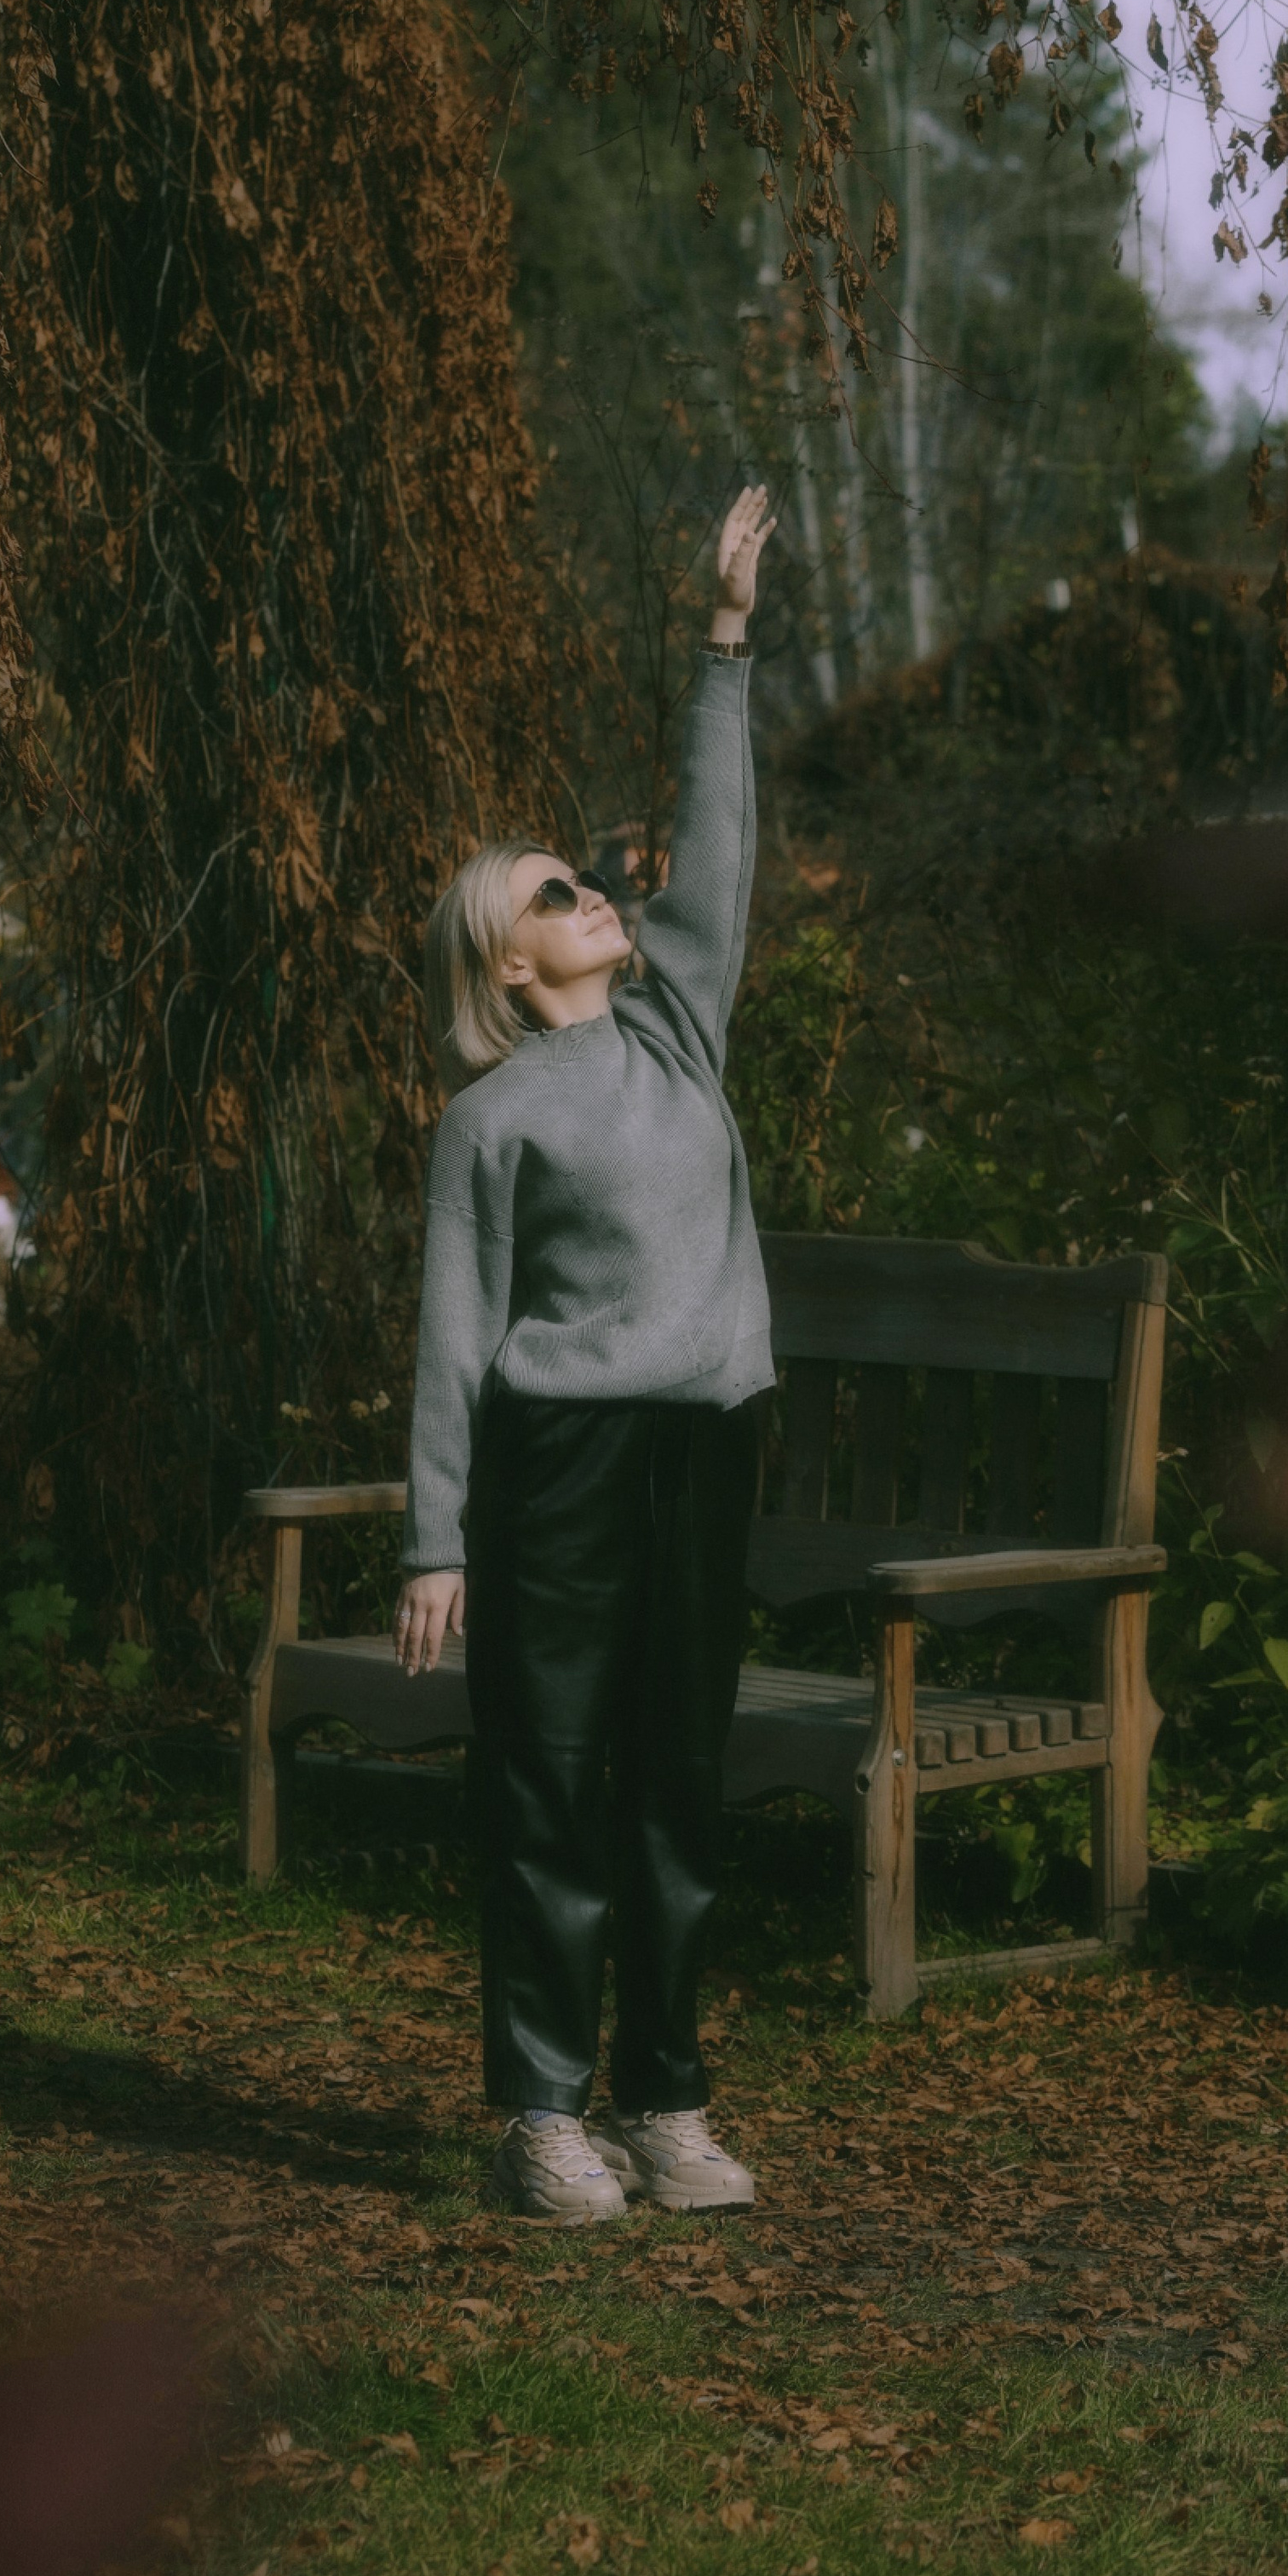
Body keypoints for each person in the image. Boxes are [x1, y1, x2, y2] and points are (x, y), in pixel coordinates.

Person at [395, 487, 779, 2224]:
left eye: (590, 878)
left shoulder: (679, 1028)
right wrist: (434, 1537)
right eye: (559, 889)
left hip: (698, 1455)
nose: (597, 890)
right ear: (506, 952)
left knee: (673, 1787)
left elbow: (718, 843)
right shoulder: (491, 1119)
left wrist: (720, 641)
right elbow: (458, 1331)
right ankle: (543, 2113)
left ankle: (667, 2105)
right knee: (549, 1787)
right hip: (557, 1468)